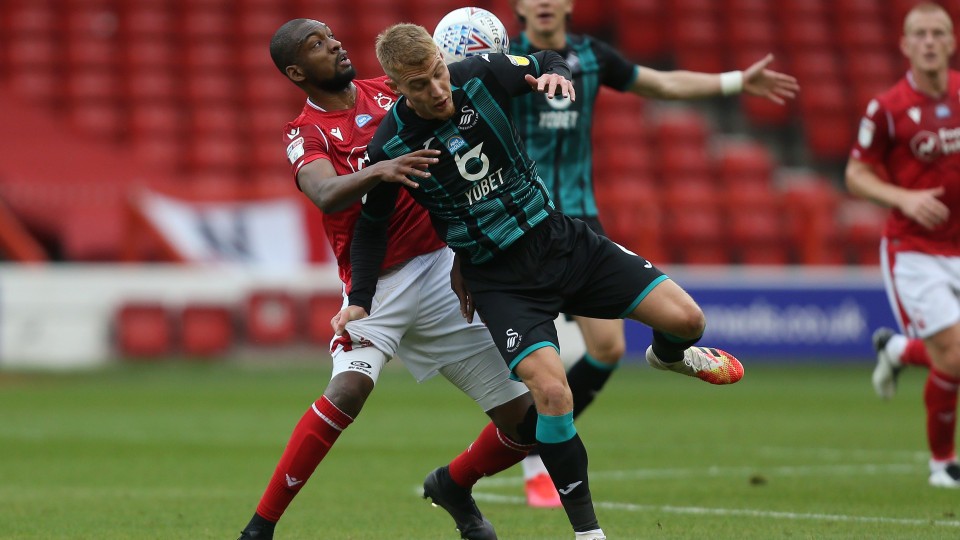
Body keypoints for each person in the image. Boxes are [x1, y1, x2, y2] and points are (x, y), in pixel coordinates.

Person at [337, 23, 744, 539]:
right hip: (501, 282)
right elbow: (372, 229)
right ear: (396, 87)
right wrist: (360, 299)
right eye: (419, 85)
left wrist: (554, 78)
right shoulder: (390, 147)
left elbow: (547, 61)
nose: (437, 90)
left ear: (445, 61)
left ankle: (667, 355)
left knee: (689, 320)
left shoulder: (479, 73)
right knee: (552, 393)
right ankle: (589, 533)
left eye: (438, 74)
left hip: (564, 243)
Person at [238, 19, 545, 540]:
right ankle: (259, 529)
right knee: (349, 389)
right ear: (296, 71)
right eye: (317, 45)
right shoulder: (307, 132)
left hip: (446, 269)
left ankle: (453, 485)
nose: (334, 44)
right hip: (376, 284)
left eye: (332, 35)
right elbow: (325, 193)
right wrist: (380, 169)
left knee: (528, 425)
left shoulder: (393, 90)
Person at [505, 0, 800, 507]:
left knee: (607, 349)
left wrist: (732, 82)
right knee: (525, 365)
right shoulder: (501, 59)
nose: (546, 3)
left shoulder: (592, 58)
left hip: (577, 220)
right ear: (519, 6)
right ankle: (501, 461)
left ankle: (535, 453)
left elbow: (662, 84)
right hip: (515, 224)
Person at [846, 1, 960, 489]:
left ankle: (895, 349)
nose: (930, 41)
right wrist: (904, 198)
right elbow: (854, 175)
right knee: (954, 356)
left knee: (952, 354)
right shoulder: (887, 108)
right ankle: (942, 465)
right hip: (914, 250)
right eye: (921, 33)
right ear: (905, 45)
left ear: (952, 42)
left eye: (939, 32)